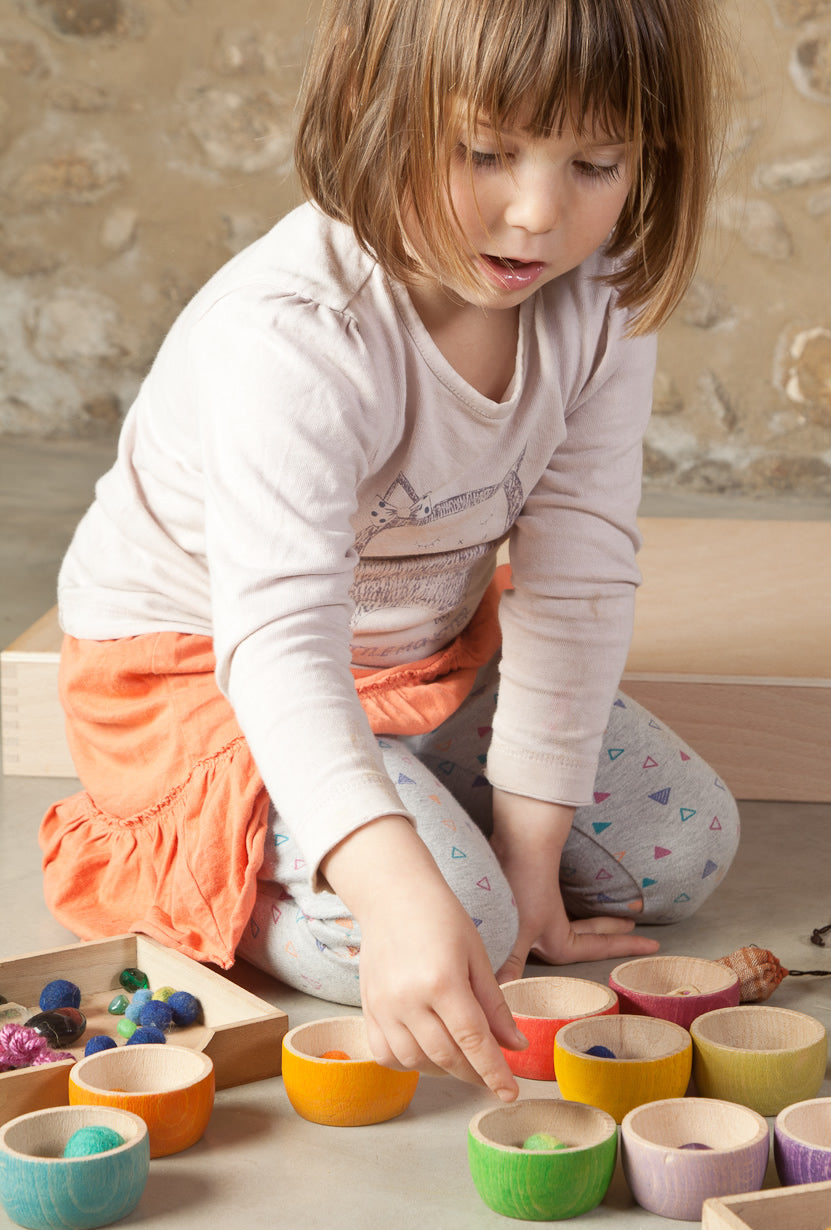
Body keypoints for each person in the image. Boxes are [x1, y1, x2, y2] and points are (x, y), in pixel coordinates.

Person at [40, 0, 738, 1104]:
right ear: (376, 108)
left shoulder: (596, 296)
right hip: (208, 675)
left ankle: (395, 816)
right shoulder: (298, 332)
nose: (537, 214)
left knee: (684, 849)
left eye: (597, 162)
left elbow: (578, 572)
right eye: (484, 152)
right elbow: (277, 646)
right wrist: (406, 897)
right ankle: (207, 872)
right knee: (450, 922)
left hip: (418, 658)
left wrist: (531, 848)